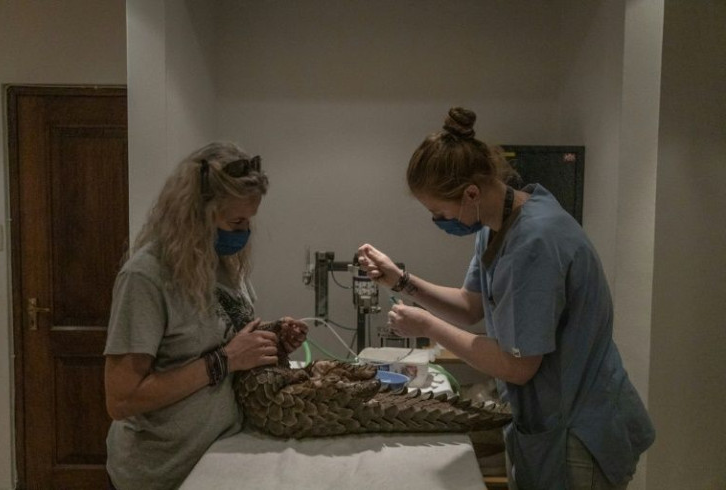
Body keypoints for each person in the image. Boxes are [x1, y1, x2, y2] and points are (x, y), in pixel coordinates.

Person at [357, 107, 654, 490]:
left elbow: (517, 366)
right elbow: (470, 305)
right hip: (547, 420)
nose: (439, 220)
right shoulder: (496, 225)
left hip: (579, 432)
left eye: (438, 211)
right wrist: (402, 281)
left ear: (471, 193)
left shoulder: (535, 242)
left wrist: (427, 326)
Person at [104, 142, 308, 490]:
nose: (244, 232)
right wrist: (224, 361)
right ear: (195, 214)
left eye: (248, 221)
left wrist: (270, 340)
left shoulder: (222, 264)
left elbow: (221, 336)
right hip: (161, 472)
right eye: (236, 221)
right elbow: (122, 399)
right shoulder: (146, 278)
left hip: (218, 457)